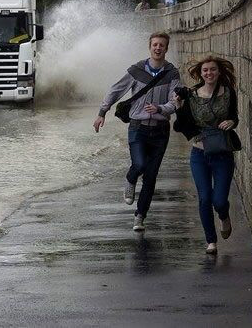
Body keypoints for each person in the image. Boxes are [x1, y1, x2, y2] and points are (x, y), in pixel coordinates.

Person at [93, 32, 182, 231]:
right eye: (155, 45)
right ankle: (130, 179)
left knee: (151, 176)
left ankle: (140, 216)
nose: (158, 48)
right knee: (140, 164)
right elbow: (116, 90)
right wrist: (102, 113)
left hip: (160, 131)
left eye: (162, 45)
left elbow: (175, 102)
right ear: (150, 47)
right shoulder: (136, 70)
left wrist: (160, 109)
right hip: (137, 127)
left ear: (166, 49)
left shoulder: (172, 73)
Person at [173, 55, 239, 255]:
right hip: (199, 154)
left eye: (212, 69)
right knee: (204, 198)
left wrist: (232, 122)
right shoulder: (192, 95)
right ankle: (211, 241)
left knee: (218, 200)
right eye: (205, 70)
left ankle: (224, 215)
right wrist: (178, 107)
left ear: (219, 72)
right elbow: (183, 124)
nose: (209, 73)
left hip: (222, 153)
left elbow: (234, 116)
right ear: (200, 74)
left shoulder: (228, 93)